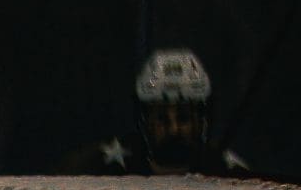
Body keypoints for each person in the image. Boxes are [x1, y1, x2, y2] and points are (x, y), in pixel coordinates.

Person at [59, 48, 257, 178]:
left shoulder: (229, 175)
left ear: (201, 122)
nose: (173, 128)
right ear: (145, 121)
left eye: (183, 118)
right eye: (162, 118)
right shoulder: (102, 170)